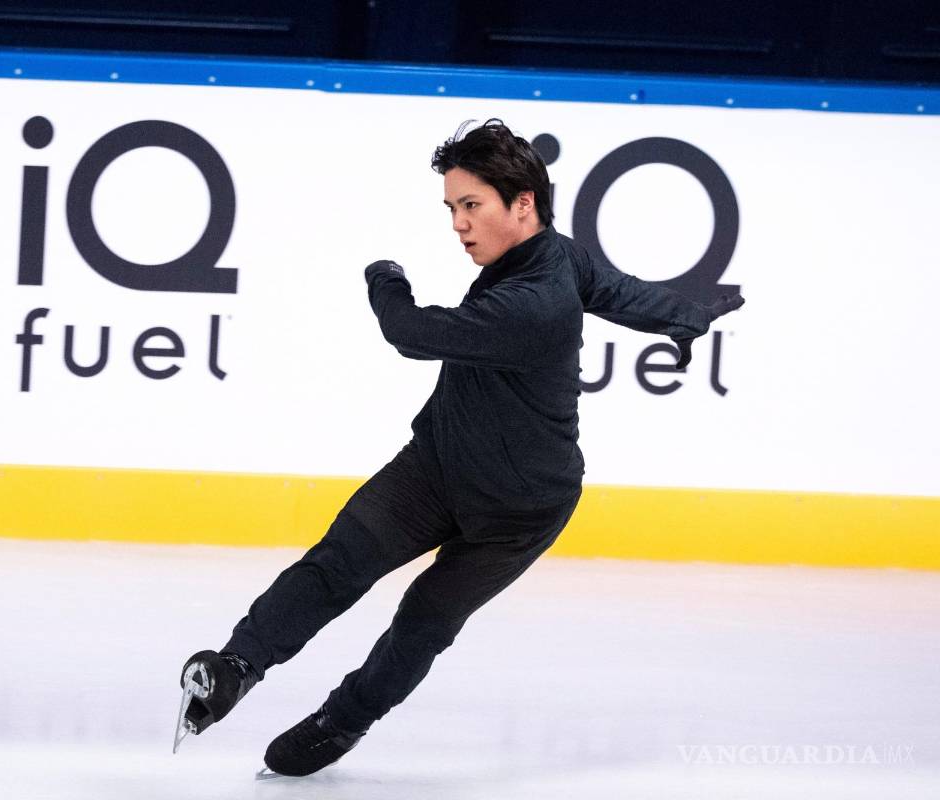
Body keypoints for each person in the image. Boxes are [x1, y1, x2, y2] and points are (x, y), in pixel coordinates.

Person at [173, 119, 745, 777]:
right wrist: (687, 314)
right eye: (451, 208)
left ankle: (342, 721)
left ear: (521, 204)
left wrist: (384, 278)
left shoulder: (534, 304)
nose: (458, 223)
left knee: (421, 623)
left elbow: (411, 332)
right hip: (437, 468)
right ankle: (235, 667)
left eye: (471, 205)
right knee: (339, 562)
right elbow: (619, 292)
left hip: (517, 514)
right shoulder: (559, 253)